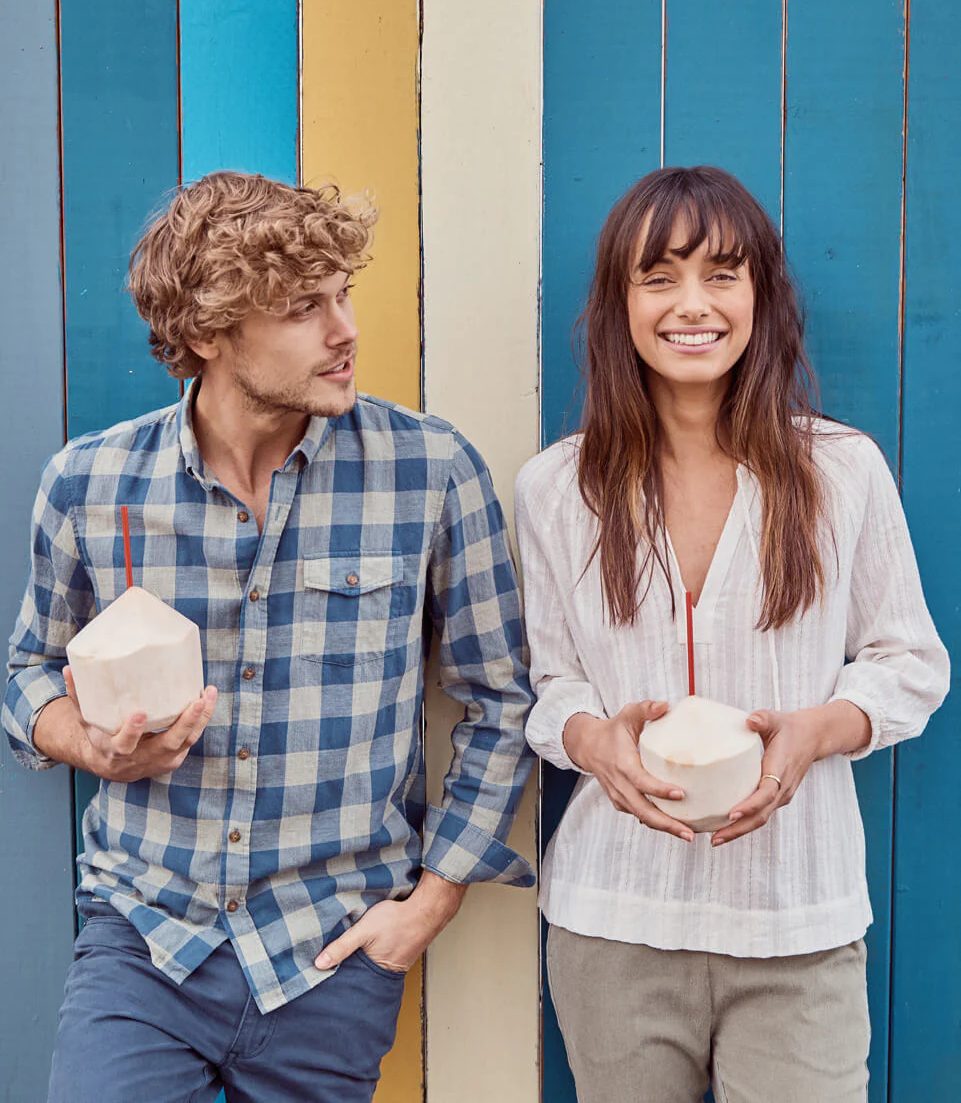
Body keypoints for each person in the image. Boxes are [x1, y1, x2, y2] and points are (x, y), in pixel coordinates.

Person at [3, 170, 535, 1103]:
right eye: (303, 308)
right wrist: (83, 740)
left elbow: (500, 698)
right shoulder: (90, 484)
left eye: (343, 297)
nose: (345, 332)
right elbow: (29, 671)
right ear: (208, 334)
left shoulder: (430, 471)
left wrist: (431, 903)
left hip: (329, 952)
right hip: (145, 936)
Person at [515, 165, 949, 1103]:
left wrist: (816, 732)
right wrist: (592, 740)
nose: (692, 305)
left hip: (795, 924)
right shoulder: (554, 489)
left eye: (722, 273)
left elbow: (908, 663)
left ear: (761, 295)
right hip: (613, 925)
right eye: (658, 276)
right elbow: (548, 685)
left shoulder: (841, 472)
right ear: (616, 303)